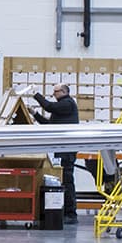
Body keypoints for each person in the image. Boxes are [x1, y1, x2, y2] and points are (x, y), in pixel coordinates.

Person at [32, 83, 80, 224]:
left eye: (56, 91)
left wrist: (36, 94)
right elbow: (49, 126)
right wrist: (35, 114)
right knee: (63, 180)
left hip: (67, 150)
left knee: (67, 180)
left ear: (64, 91)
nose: (53, 94)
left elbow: (49, 106)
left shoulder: (68, 104)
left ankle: (71, 214)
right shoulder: (61, 108)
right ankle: (65, 211)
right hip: (61, 149)